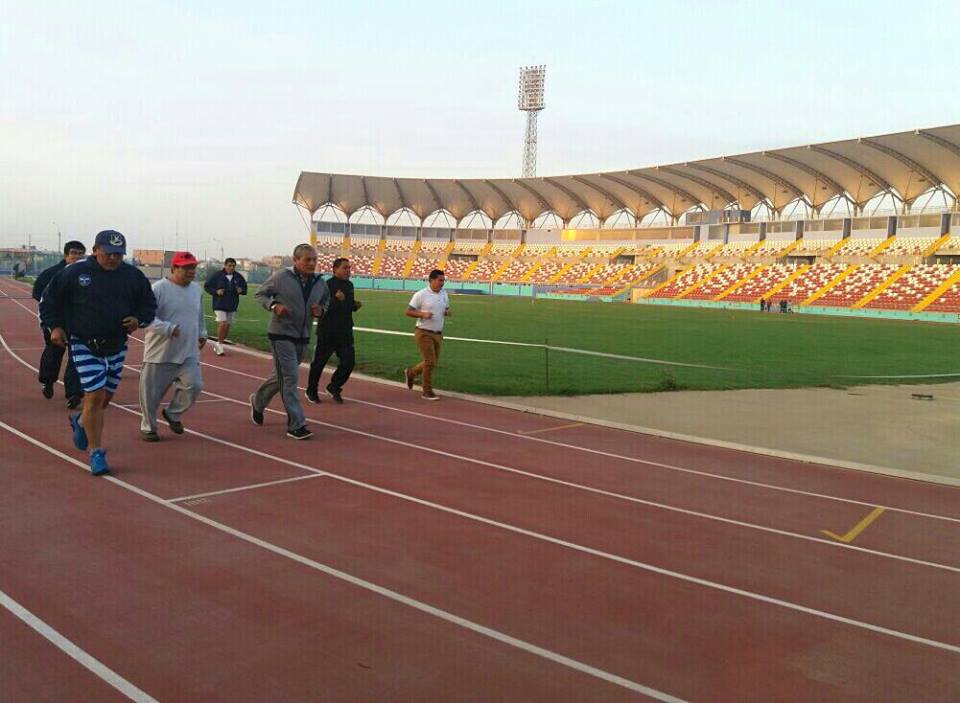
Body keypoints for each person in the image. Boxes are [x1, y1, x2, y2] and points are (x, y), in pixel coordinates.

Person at [39, 230, 156, 475]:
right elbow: (48, 300)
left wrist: (139, 319)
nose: (113, 258)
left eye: (118, 254)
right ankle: (96, 453)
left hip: (116, 343)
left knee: (104, 399)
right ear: (95, 250)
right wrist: (56, 327)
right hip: (83, 342)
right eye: (108, 253)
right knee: (94, 395)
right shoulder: (74, 273)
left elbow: (148, 304)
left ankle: (82, 421)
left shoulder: (132, 276)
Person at [249, 244, 330, 439]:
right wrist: (274, 305)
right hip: (281, 334)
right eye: (307, 259)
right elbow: (260, 294)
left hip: (303, 336)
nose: (311, 263)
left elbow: (326, 301)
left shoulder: (320, 282)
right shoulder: (281, 277)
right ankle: (296, 424)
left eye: (314, 260)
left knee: (282, 377)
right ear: (296, 260)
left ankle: (258, 401)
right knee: (291, 378)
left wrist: (322, 310)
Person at [138, 252, 207, 441]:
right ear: (174, 269)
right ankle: (149, 427)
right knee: (150, 395)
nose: (191, 271)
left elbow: (199, 315)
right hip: (160, 352)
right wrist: (167, 328)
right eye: (186, 268)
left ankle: (173, 413)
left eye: (193, 267)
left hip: (188, 351)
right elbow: (146, 318)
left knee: (194, 385)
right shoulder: (158, 289)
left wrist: (202, 333)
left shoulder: (196, 290)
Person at [32, 240, 86, 407]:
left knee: (77, 356)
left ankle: (74, 394)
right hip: (55, 320)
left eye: (80, 253)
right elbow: (39, 295)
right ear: (66, 255)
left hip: (78, 321)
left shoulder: (86, 275)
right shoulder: (52, 274)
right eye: (74, 253)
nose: (77, 257)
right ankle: (47, 381)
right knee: (54, 351)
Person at [306, 257, 362, 405]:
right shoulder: (326, 285)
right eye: (344, 267)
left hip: (345, 331)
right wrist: (336, 299)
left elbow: (347, 306)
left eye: (349, 268)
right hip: (328, 330)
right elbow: (320, 308)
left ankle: (334, 386)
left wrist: (354, 305)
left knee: (349, 362)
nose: (348, 270)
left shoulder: (349, 285)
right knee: (319, 362)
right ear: (334, 269)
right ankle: (311, 390)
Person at [403, 269, 450, 401]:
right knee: (430, 362)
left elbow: (445, 308)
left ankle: (411, 373)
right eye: (440, 280)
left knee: (433, 362)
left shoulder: (444, 294)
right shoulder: (421, 295)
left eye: (443, 280)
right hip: (423, 332)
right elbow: (408, 311)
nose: (442, 283)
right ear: (431, 280)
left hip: (438, 333)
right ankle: (427, 391)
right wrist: (423, 314)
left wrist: (447, 311)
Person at [203, 257, 247, 355]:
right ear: (225, 265)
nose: (231, 268)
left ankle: (219, 342)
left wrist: (241, 291)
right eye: (229, 265)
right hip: (219, 303)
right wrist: (216, 291)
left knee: (227, 325)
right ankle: (220, 345)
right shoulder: (217, 275)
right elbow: (207, 286)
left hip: (232, 304)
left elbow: (244, 289)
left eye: (233, 266)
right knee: (223, 323)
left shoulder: (238, 277)